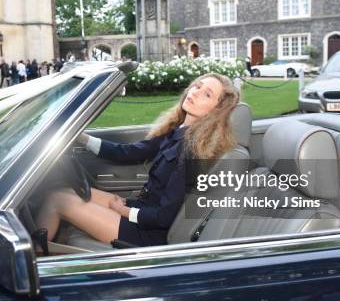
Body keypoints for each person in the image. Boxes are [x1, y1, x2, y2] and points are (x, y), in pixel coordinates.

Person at [36, 73, 239, 247]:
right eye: (197, 86)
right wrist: (82, 138)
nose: (195, 92)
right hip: (142, 209)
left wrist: (124, 211)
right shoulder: (177, 133)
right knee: (65, 191)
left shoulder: (191, 149)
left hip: (147, 233)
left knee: (57, 201)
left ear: (216, 111)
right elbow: (130, 152)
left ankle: (30, 262)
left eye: (207, 94)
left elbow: (165, 216)